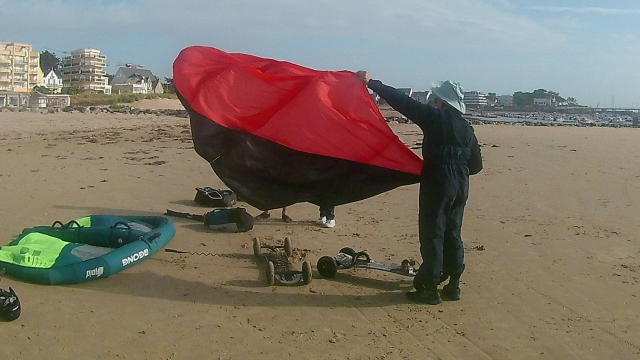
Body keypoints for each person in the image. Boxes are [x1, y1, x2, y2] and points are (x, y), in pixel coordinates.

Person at [357, 71, 483, 305]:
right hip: (461, 186)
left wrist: (372, 83)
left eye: (436, 99)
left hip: (438, 182)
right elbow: (476, 165)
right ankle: (454, 284)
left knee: (433, 233)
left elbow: (403, 102)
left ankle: (429, 288)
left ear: (442, 103)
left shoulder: (435, 118)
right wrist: (458, 169)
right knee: (453, 232)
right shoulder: (467, 129)